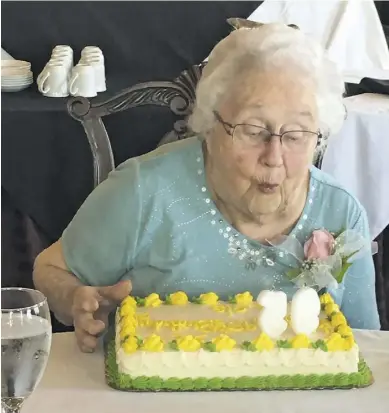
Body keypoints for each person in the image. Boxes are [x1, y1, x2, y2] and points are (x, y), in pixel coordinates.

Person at [33, 23, 380, 353]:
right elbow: (50, 270)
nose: (274, 157)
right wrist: (75, 298)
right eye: (253, 130)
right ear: (210, 125)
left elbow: (369, 345)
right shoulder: (144, 192)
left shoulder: (340, 212)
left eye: (296, 134)